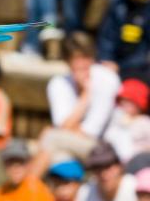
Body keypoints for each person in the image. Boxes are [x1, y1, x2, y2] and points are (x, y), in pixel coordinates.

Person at [33, 32, 120, 177]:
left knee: (50, 138)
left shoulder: (107, 79)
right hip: (72, 146)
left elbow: (91, 132)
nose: (83, 63)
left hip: (106, 148)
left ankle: (23, 193)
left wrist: (86, 93)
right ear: (68, 61)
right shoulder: (58, 83)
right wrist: (85, 97)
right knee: (58, 158)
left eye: (87, 57)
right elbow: (63, 127)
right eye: (77, 58)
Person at [98, 0, 150, 80]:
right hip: (115, 69)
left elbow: (146, 55)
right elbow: (107, 39)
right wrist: (106, 60)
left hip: (141, 71)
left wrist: (121, 67)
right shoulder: (118, 5)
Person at [104, 79, 150, 164]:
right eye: (122, 102)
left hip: (141, 161)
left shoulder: (145, 121)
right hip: (119, 161)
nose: (124, 105)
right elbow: (109, 139)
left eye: (129, 102)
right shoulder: (117, 121)